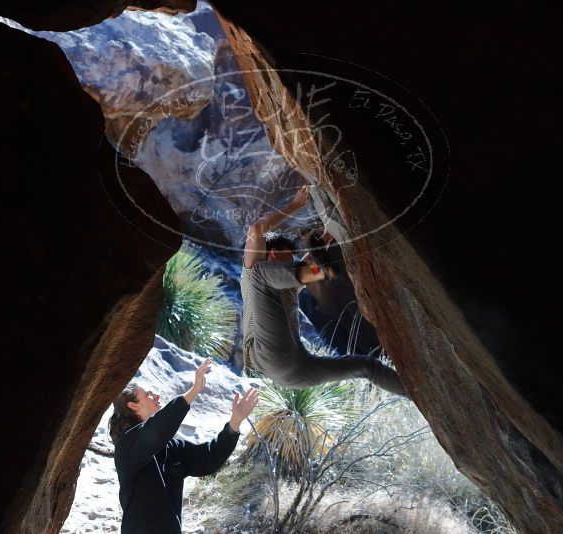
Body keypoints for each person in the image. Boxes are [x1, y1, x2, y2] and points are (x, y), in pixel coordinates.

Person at [241, 185, 408, 396]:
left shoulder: (289, 286)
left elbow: (308, 267)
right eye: (289, 256)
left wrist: (329, 232)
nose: (293, 259)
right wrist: (296, 204)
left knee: (367, 367)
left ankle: (421, 396)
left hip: (295, 372)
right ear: (272, 253)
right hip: (267, 358)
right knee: (261, 274)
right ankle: (325, 270)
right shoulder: (253, 270)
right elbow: (256, 230)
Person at [109, 357, 259, 534]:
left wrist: (234, 422)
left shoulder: (171, 447)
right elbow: (155, 430)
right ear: (133, 405)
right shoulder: (126, 447)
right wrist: (194, 391)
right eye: (148, 395)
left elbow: (208, 458)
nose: (155, 395)